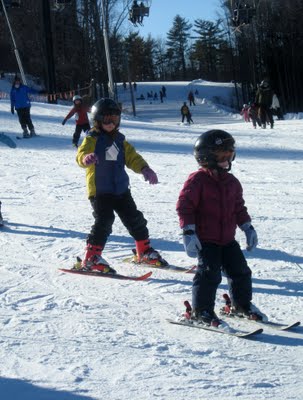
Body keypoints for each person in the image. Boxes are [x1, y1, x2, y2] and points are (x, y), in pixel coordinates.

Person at [176, 129, 262, 327]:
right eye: (221, 155)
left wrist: (247, 227)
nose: (225, 159)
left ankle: (241, 305)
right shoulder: (197, 181)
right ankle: (201, 310)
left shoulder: (232, 182)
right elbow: (184, 206)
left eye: (229, 154)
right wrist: (189, 231)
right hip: (206, 240)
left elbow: (239, 208)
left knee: (240, 271)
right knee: (209, 274)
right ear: (206, 157)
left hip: (228, 240)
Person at [76, 98, 167, 273]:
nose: (110, 124)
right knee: (104, 221)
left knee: (135, 219)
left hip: (120, 190)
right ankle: (91, 257)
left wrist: (145, 169)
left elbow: (133, 157)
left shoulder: (120, 140)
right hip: (100, 191)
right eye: (106, 120)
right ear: (97, 120)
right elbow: (82, 153)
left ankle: (144, 251)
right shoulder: (92, 139)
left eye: (114, 120)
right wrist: (85, 158)